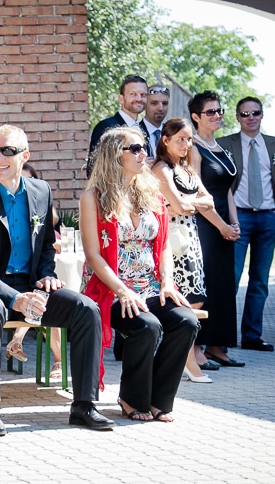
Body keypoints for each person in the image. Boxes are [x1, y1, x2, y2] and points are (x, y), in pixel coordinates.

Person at [0, 124, 113, 436]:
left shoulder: (42, 192)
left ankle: (84, 405)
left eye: (8, 151)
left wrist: (46, 276)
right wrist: (16, 298)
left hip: (31, 286)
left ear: (24, 155)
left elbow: (44, 248)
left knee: (86, 310)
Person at [81, 127, 200, 422]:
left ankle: (159, 399)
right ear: (114, 155)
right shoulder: (93, 198)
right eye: (134, 149)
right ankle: (132, 398)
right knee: (146, 327)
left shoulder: (152, 194)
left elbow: (162, 248)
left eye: (143, 147)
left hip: (150, 286)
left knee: (186, 322)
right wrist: (123, 290)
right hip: (113, 290)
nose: (142, 153)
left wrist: (168, 282)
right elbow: (94, 255)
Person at [219, 97, 275, 352]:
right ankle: (223, 339)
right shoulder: (223, 144)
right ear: (237, 117)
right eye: (245, 113)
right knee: (232, 277)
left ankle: (252, 336)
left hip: (268, 218)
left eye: (255, 113)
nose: (251, 117)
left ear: (262, 115)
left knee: (260, 280)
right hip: (238, 218)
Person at [151, 118, 216, 382]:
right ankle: (185, 360)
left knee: (197, 298)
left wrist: (189, 203)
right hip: (173, 241)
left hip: (192, 239)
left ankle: (181, 359)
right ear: (165, 140)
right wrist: (192, 203)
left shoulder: (186, 169)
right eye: (180, 139)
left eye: (189, 139)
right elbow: (177, 207)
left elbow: (209, 200)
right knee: (184, 300)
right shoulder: (160, 168)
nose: (186, 144)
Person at [188, 91, 243, 368]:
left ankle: (217, 346)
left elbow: (228, 192)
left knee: (224, 285)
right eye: (210, 112)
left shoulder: (222, 149)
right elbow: (198, 195)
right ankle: (197, 348)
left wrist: (234, 224)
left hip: (224, 226)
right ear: (196, 117)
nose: (217, 115)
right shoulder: (194, 148)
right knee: (205, 286)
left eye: (219, 110)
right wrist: (221, 226)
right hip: (206, 226)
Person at [6, 162, 63, 379]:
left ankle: (20, 341)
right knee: (39, 299)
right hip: (18, 282)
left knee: (48, 296)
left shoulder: (42, 205)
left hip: (42, 278)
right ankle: (19, 340)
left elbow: (51, 242)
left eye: (28, 180)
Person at [88, 74, 150, 174]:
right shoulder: (107, 127)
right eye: (133, 94)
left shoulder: (143, 128)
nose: (139, 98)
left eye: (143, 95)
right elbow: (94, 169)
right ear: (121, 99)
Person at [142, 85, 170, 154]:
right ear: (144, 105)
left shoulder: (172, 134)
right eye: (154, 103)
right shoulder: (135, 132)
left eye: (164, 103)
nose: (160, 108)